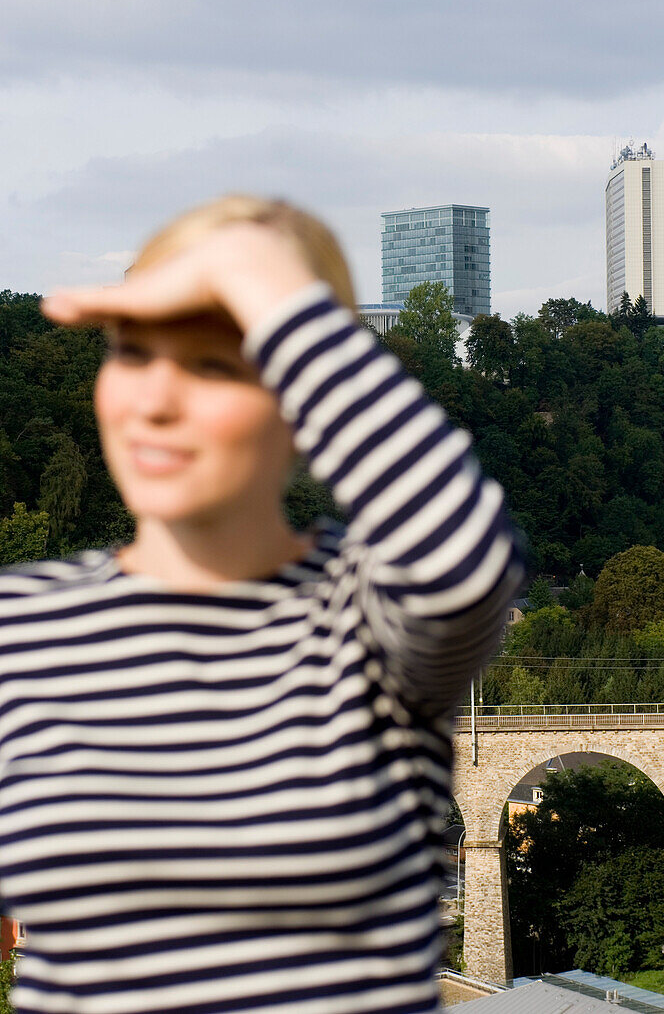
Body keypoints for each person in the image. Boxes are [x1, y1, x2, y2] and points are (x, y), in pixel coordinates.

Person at [1, 195, 524, 1014]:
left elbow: (460, 561)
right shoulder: (23, 628)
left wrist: (264, 282)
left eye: (215, 364)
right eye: (134, 353)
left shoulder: (362, 625)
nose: (156, 402)